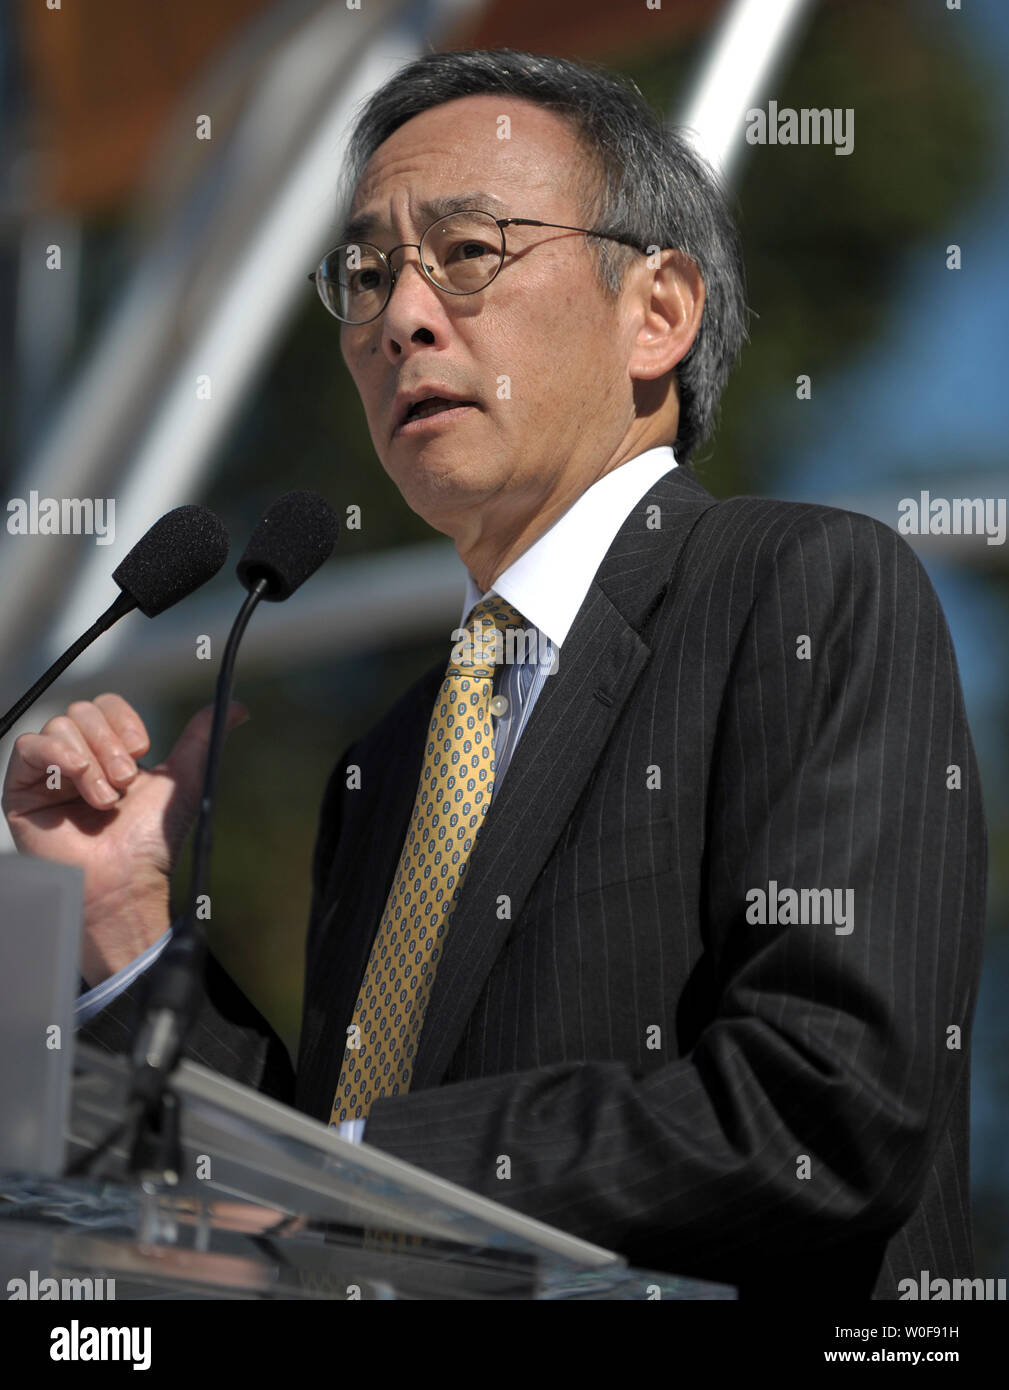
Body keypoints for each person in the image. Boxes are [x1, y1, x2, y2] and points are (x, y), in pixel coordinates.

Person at [2, 50, 986, 1299]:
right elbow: (305, 1177)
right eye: (365, 274)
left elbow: (827, 1108)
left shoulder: (804, 589)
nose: (400, 315)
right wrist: (128, 934)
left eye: (468, 251)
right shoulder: (388, 756)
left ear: (659, 310)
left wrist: (352, 1170)